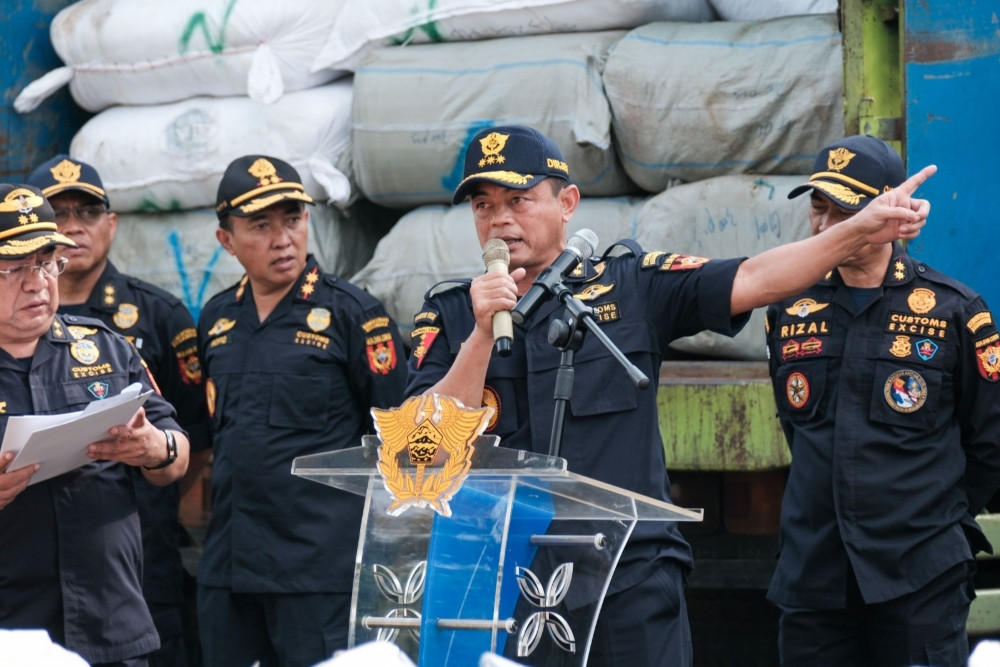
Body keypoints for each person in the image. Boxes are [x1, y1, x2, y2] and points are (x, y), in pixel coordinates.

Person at [405, 125, 936, 666]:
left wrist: (858, 232)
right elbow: (417, 448)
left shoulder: (631, 285)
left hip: (628, 579)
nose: (500, 219)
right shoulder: (451, 314)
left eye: (519, 200)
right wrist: (478, 336)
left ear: (567, 203)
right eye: (483, 205)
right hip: (501, 580)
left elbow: (756, 278)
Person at [763, 135, 1000, 667]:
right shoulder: (789, 310)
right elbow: (798, 431)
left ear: (890, 211)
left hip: (919, 578)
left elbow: (989, 444)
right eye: (817, 209)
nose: (827, 227)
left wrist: (928, 520)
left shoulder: (953, 312)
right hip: (814, 577)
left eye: (845, 211)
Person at [196, 155, 408, 667]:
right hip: (228, 566)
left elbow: (396, 438)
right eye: (260, 226)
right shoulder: (217, 319)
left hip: (317, 574)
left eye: (293, 220)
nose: (282, 239)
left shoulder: (353, 316)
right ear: (226, 239)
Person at [27, 155, 211, 667]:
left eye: (86, 213)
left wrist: (155, 455)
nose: (73, 227)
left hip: (128, 571)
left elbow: (189, 436)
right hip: (21, 596)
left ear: (111, 223)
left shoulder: (140, 326)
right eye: (57, 215)